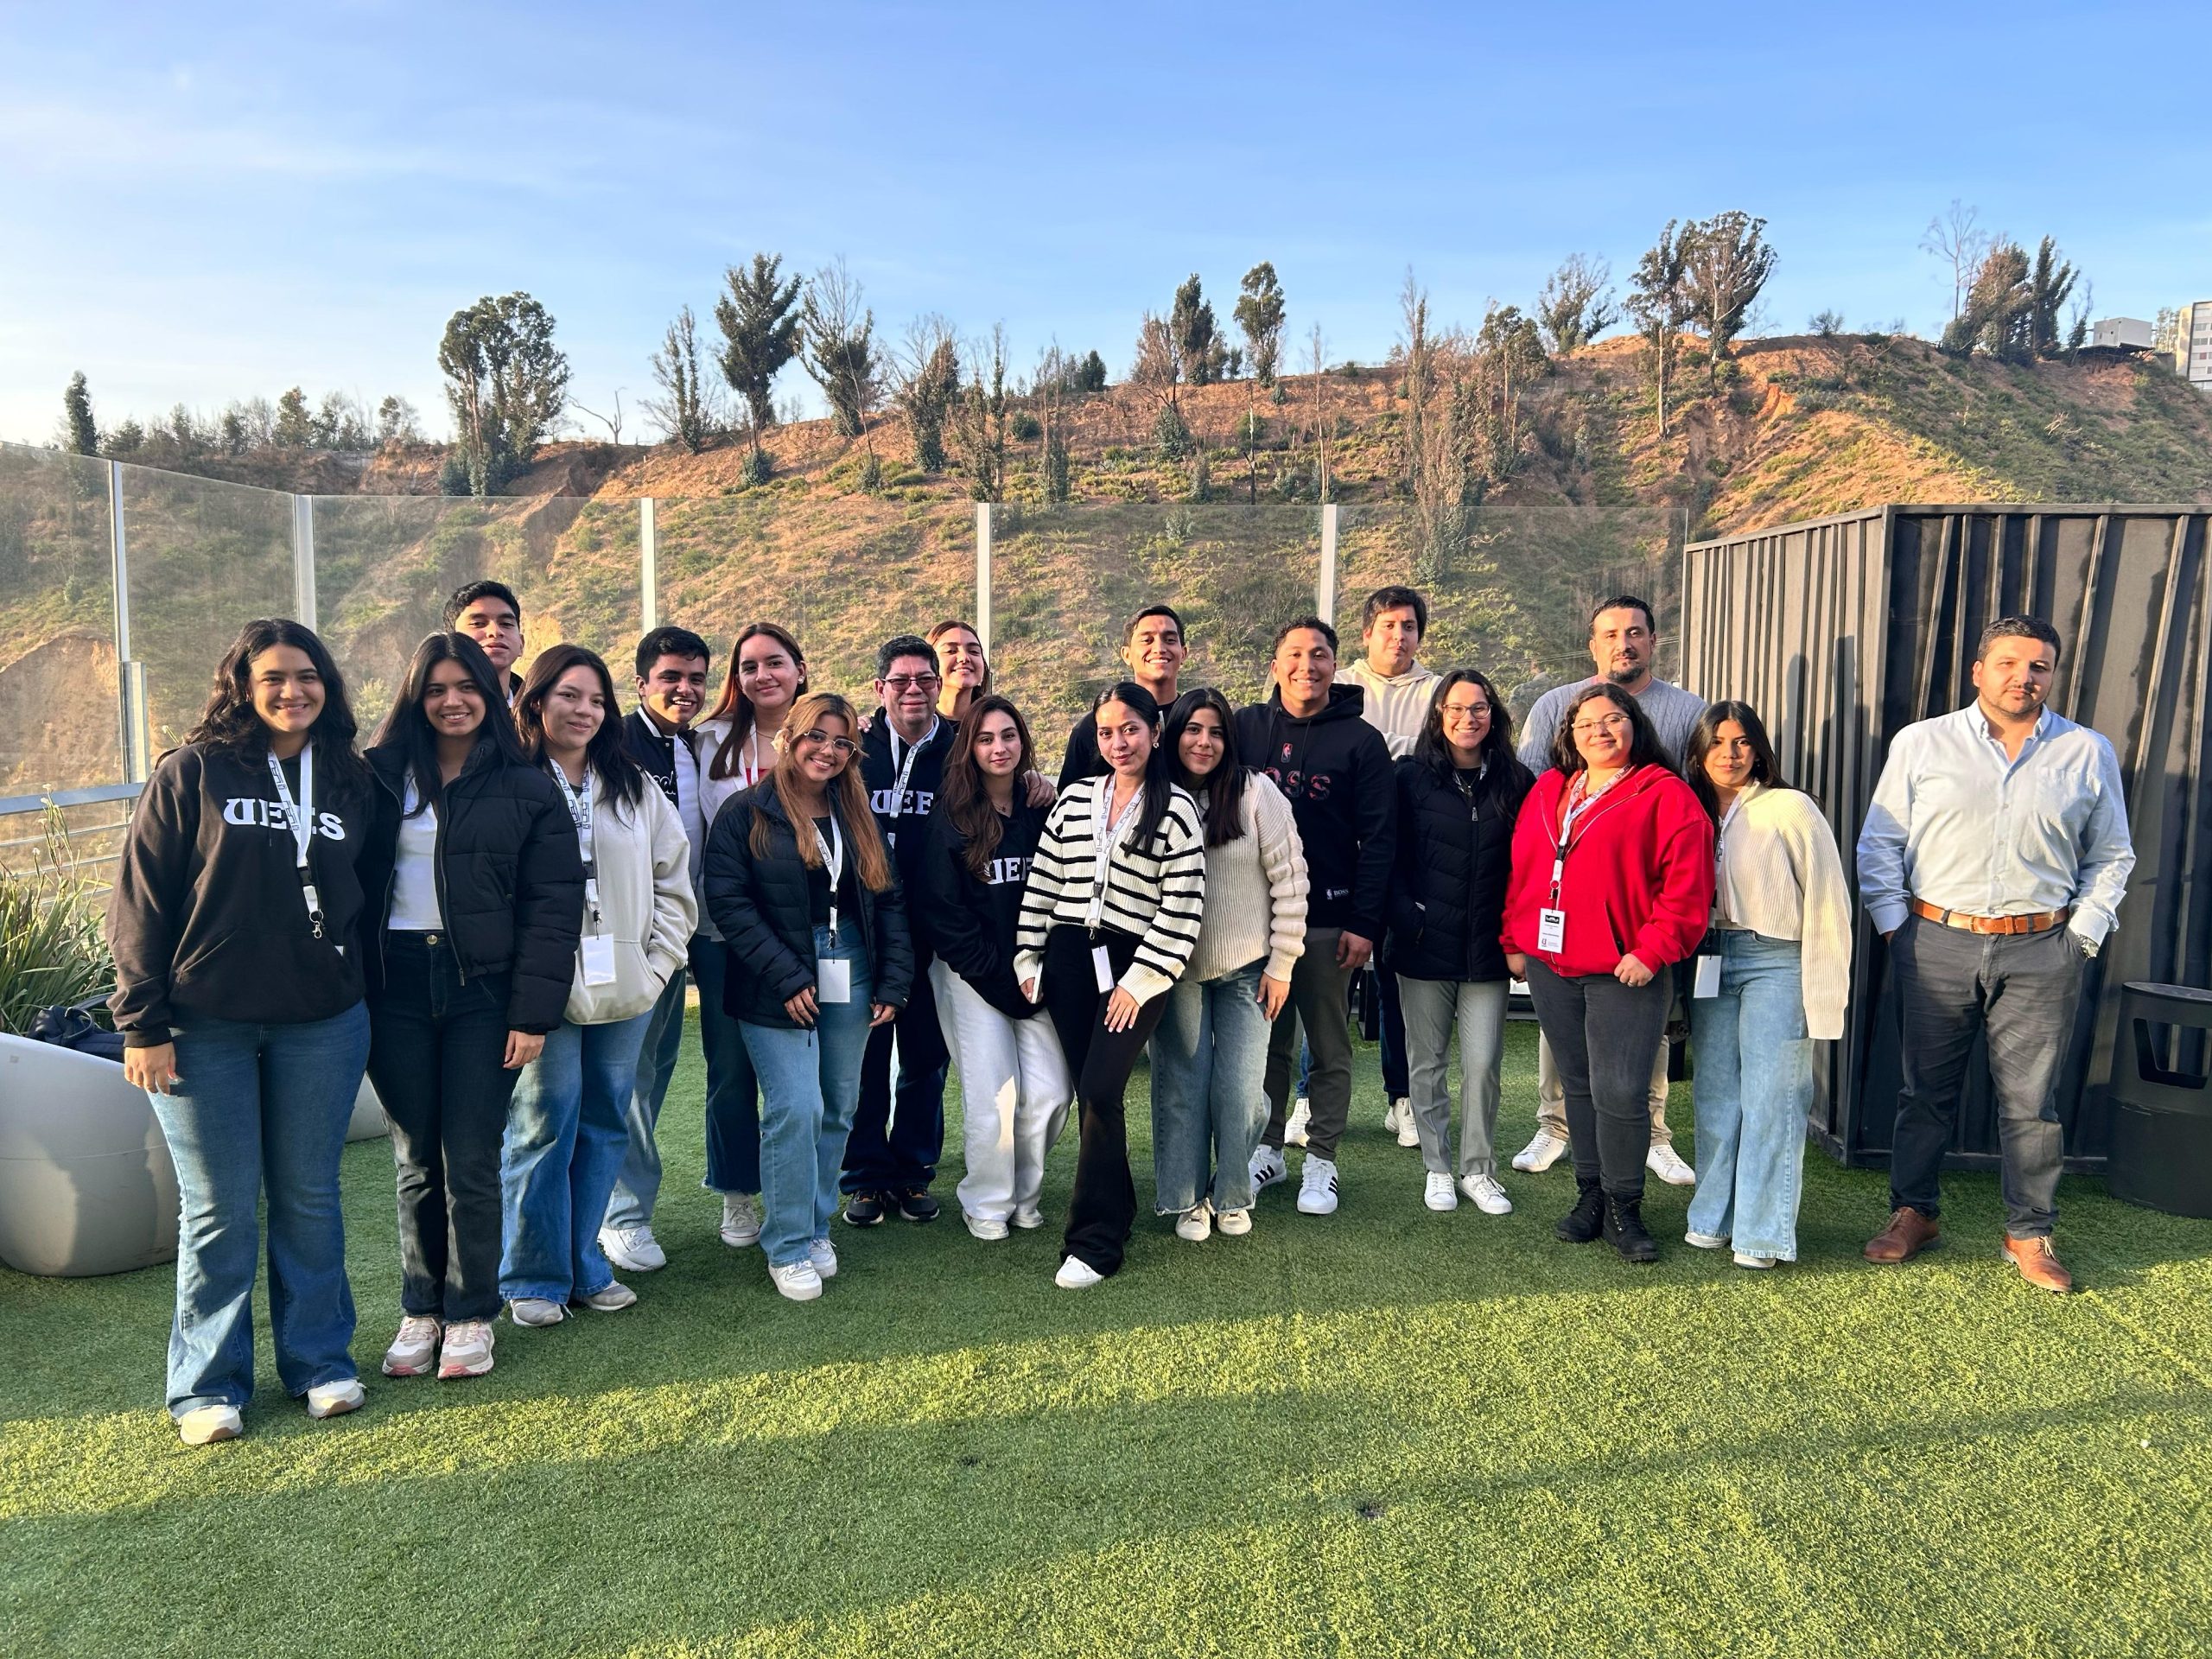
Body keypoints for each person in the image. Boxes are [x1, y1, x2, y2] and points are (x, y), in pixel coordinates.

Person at [108, 620, 378, 1446]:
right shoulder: (194, 772)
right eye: (273, 678)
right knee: (219, 1209)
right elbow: (141, 902)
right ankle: (206, 1387)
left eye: (307, 676)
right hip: (202, 1025)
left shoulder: (350, 779)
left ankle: (321, 1364)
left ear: (326, 685)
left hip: (322, 1024)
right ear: (242, 686)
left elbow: (363, 898)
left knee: (309, 1197)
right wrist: (142, 1023)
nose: (293, 691)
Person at [1856, 616, 2134, 1294]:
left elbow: (2111, 854)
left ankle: (2029, 1231)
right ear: (1978, 671)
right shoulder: (1923, 744)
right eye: (2008, 663)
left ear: (2052, 676)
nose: (2023, 677)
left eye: (2038, 666)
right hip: (1936, 941)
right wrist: (1900, 929)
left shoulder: (2086, 752)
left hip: (2043, 948)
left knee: (2032, 1105)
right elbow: (1880, 841)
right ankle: (1915, 1211)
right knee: (1924, 1094)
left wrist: (2081, 938)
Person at [359, 632, 584, 1381]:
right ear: (415, 698)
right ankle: (421, 1309)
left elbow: (554, 907)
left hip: (482, 990)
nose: (452, 701)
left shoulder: (526, 782)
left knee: (472, 1157)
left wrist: (532, 1013)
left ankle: (470, 1315)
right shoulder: (377, 777)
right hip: (393, 985)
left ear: (493, 697)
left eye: (468, 688)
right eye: (436, 689)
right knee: (416, 1157)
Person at [502, 646, 696, 1325]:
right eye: (567, 696)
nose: (583, 710)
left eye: (595, 700)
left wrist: (656, 964)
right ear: (536, 702)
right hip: (540, 988)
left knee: (608, 1119)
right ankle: (532, 1275)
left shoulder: (633, 785)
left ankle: (585, 1264)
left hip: (627, 987)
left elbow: (676, 878)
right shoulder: (508, 779)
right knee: (542, 1125)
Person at [702, 691, 912, 1301]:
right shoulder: (745, 813)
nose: (828, 750)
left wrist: (894, 981)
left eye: (842, 741)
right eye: (816, 736)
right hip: (777, 975)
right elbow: (730, 904)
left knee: (838, 1105)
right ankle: (789, 1243)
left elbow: (888, 900)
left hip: (851, 961)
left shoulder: (856, 813)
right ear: (789, 737)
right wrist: (788, 977)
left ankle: (816, 1225)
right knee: (794, 1105)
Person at [1502, 683, 1713, 1263]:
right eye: (1586, 723)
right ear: (1568, 736)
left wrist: (1653, 949)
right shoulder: (1550, 789)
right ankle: (1589, 1196)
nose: (1600, 730)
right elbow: (1522, 867)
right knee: (1580, 1085)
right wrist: (1514, 937)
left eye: (1613, 718)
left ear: (1635, 726)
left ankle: (1626, 1206)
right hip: (1551, 964)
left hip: (1626, 970)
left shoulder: (1665, 794)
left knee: (1622, 1091)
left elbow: (1688, 884)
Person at [1017, 683, 1206, 1287]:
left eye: (1130, 729)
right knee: (1092, 1092)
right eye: (1106, 732)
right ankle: (1117, 1207)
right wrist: (1029, 955)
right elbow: (1044, 882)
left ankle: (1094, 1242)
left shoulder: (1177, 809)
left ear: (1155, 732)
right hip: (1070, 958)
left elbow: (1182, 911)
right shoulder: (1073, 798)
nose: (1118, 742)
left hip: (1135, 965)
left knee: (1101, 1088)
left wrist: (1141, 981)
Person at [1681, 702, 1852, 1269]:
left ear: (1758, 749)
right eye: (1718, 742)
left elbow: (1829, 900)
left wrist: (1826, 994)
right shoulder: (1689, 809)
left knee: (1772, 1097)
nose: (1730, 753)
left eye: (1742, 742)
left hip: (1777, 958)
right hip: (1710, 957)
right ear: (1699, 752)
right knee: (1715, 1094)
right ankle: (1713, 1218)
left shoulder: (1790, 808)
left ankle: (1762, 1232)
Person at [1238, 617, 1395, 1217]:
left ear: (1337, 665)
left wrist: (1365, 922)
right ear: (1275, 664)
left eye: (1321, 655)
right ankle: (1268, 1149)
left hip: (1330, 922)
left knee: (1328, 1047)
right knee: (1267, 1046)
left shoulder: (1360, 741)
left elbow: (1379, 840)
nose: (1308, 665)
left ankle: (1322, 1160)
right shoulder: (1247, 728)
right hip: (1257, 925)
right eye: (1295, 655)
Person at [666, 621, 809, 1250]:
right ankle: (737, 1194)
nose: (762, 676)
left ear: (800, 669)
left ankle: (804, 1193)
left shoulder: (826, 732)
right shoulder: (708, 741)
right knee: (730, 1069)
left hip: (806, 934)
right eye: (749, 666)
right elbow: (695, 837)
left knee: (807, 1074)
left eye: (774, 662)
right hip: (724, 932)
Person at [1151, 689, 1306, 1241]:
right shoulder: (1155, 796)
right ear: (1174, 736)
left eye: (1216, 732)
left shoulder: (1256, 793)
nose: (1204, 742)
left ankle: (1233, 1192)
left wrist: (1283, 963)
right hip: (1173, 971)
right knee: (1181, 1088)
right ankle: (1187, 1197)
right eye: (1193, 729)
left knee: (1240, 1092)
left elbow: (1291, 882)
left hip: (1248, 968)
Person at [920, 696, 1074, 1239]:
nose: (998, 747)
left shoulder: (1043, 807)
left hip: (1036, 972)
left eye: (1008, 735)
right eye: (985, 738)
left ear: (1023, 741)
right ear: (970, 748)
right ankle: (986, 1201)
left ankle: (1024, 1194)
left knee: (1053, 1091)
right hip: (971, 975)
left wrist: (1038, 973)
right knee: (996, 1094)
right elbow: (944, 917)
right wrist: (1000, 981)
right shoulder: (951, 817)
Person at [1386, 669, 1535, 1217]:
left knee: (1483, 1064)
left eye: (1478, 709)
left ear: (1492, 716)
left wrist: (1517, 935)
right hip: (1424, 947)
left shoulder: (1518, 781)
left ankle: (1478, 1169)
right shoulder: (1410, 778)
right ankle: (1438, 1167)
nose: (1466, 719)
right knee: (1426, 1064)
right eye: (1455, 708)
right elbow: (1388, 854)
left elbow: (1531, 866)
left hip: (1489, 951)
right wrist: (1407, 918)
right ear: (1438, 715)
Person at [600, 626, 715, 1272]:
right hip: (629, 942)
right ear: (641, 682)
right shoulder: (612, 744)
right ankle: (622, 1215)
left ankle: (611, 1206)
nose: (685, 688)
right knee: (629, 1081)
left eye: (696, 678)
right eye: (671, 676)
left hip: (680, 937)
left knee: (653, 1074)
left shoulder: (694, 746)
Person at [841, 634, 957, 1225]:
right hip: (862, 926)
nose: (914, 690)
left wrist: (1037, 783)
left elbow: (1007, 780)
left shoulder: (961, 746)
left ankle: (911, 1173)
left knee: (925, 1056)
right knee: (863, 1054)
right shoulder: (853, 745)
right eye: (901, 681)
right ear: (880, 688)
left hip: (931, 929)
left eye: (925, 679)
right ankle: (864, 1176)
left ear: (940, 684)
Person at [1344, 585, 1441, 1148]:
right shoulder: (1342, 687)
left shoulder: (1437, 691)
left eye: (1408, 626)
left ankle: (1402, 1098)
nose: (1398, 636)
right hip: (1343, 857)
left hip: (1407, 860)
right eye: (1388, 625)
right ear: (1367, 633)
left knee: (1398, 979)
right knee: (1327, 984)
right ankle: (1308, 1097)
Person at [1057, 604, 1190, 787]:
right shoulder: (1092, 727)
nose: (1159, 648)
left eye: (1169, 640)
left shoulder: (1198, 723)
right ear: (1126, 654)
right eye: (1147, 640)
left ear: (1183, 653)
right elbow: (1070, 797)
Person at [443, 579, 527, 704]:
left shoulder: (539, 716)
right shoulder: (433, 712)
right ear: (450, 642)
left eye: (506, 623)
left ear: (521, 644)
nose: (495, 631)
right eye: (478, 624)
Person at [928, 618, 993, 721]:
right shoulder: (912, 726)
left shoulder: (995, 723)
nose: (964, 658)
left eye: (974, 651)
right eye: (951, 651)